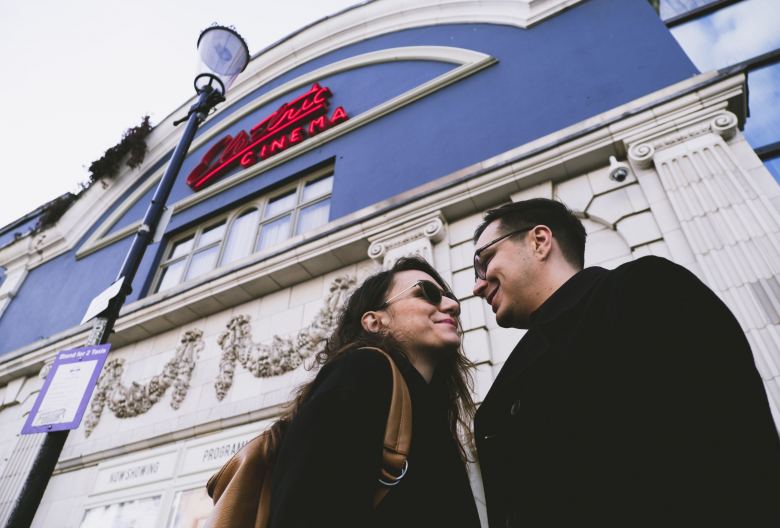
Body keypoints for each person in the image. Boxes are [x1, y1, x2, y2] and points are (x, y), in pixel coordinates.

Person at [471, 198, 780, 526]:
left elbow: (733, 449)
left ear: (539, 240)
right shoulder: (518, 373)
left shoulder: (644, 291)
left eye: (484, 261)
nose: (477, 285)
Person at [266, 256, 481, 528]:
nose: (453, 305)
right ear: (374, 321)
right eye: (427, 293)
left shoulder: (425, 403)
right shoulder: (364, 369)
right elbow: (304, 510)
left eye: (449, 297)